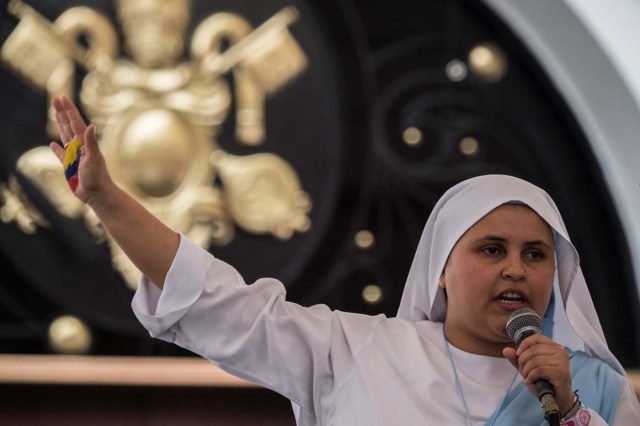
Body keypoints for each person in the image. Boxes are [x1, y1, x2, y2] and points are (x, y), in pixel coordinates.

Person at [49, 96, 640, 425]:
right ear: (441, 267)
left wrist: (568, 410)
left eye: (535, 255)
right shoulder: (357, 352)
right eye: (491, 249)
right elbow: (210, 299)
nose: (516, 268)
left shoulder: (597, 390)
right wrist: (106, 199)